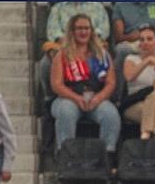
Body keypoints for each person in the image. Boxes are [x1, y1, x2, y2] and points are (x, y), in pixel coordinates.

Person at [49, 13, 120, 165]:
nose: (83, 32)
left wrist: (98, 98)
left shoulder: (102, 55)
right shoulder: (62, 55)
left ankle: (107, 157)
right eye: (79, 28)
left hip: (96, 98)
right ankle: (65, 156)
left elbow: (111, 83)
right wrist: (76, 98)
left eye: (87, 28)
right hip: (68, 98)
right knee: (66, 112)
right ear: (72, 31)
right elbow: (56, 85)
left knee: (111, 115)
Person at [121, 24, 155, 141]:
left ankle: (145, 137)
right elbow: (129, 76)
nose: (145, 42)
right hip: (135, 103)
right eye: (142, 39)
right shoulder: (131, 59)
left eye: (149, 39)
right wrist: (147, 61)